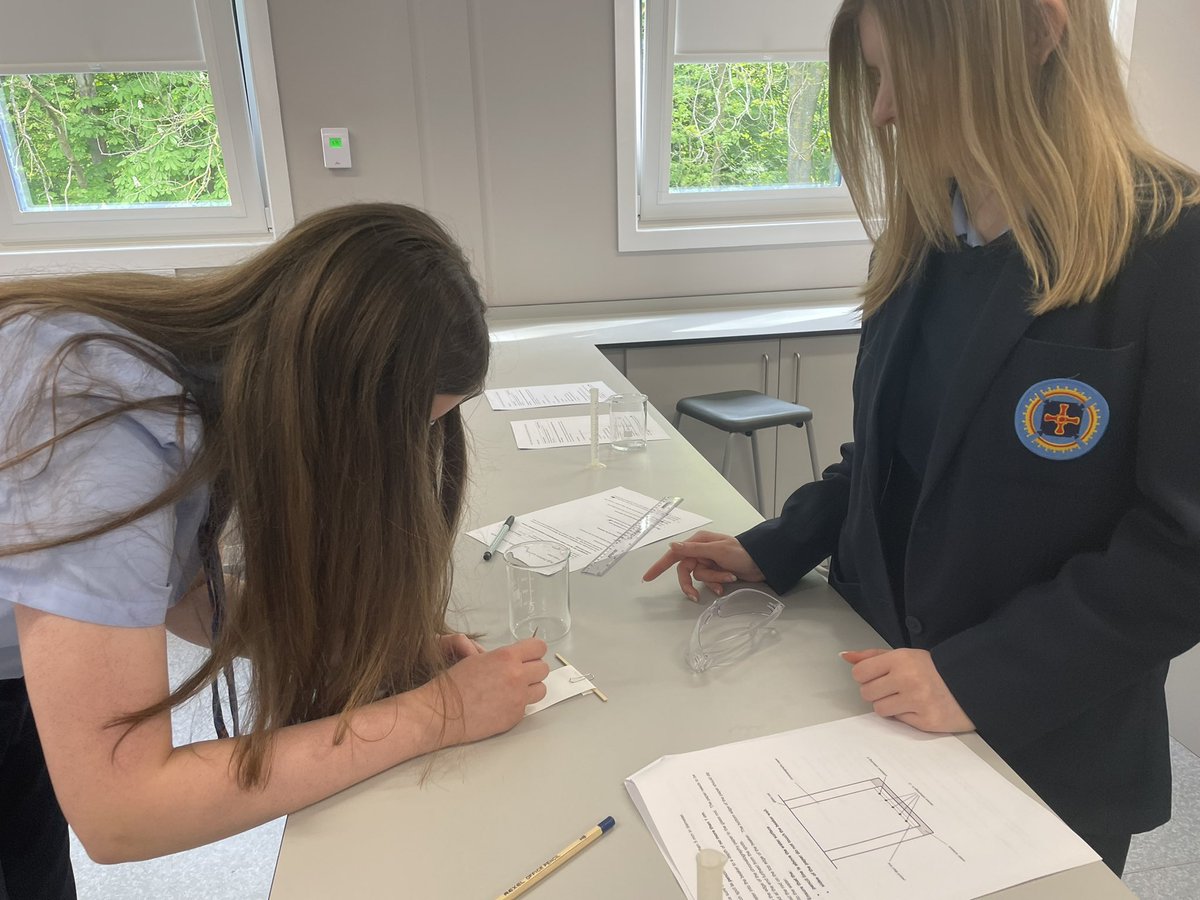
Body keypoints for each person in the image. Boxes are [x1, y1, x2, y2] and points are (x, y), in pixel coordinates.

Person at [645, 0, 1200, 877]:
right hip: (877, 690)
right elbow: (893, 459)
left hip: (1045, 731)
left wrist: (981, 677)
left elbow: (1182, 552)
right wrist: (777, 543)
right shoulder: (930, 233)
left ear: (1035, 34)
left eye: (904, 74)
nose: (883, 112)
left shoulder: (1173, 242)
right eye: (874, 77)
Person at [0, 203, 549, 897]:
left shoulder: (202, 382)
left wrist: (361, 645)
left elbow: (176, 595)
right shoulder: (99, 421)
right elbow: (121, 811)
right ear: (331, 400)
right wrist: (435, 716)